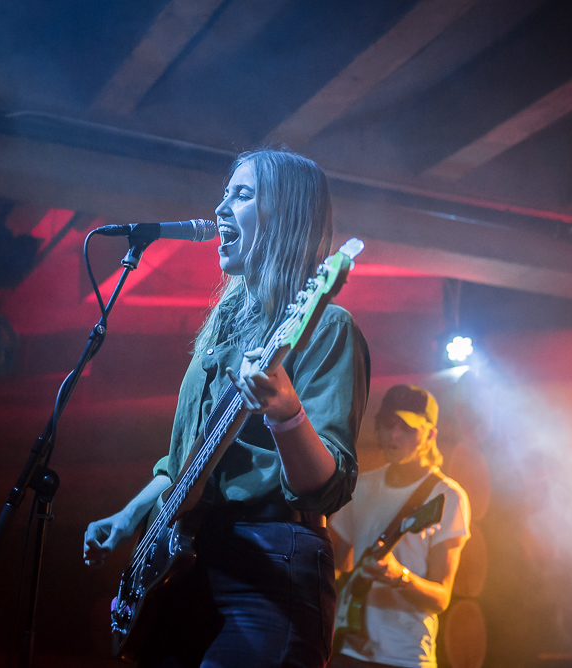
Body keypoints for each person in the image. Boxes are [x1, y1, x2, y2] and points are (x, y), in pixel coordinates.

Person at [83, 148, 370, 668]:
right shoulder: (221, 325)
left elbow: (327, 486)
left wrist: (287, 415)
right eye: (224, 192)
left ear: (284, 214)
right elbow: (185, 462)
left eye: (241, 194)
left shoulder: (328, 327)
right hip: (192, 555)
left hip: (271, 562)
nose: (220, 208)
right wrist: (129, 518)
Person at [328, 385, 471, 668]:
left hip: (404, 656)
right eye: (388, 424)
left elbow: (442, 598)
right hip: (347, 648)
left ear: (430, 435)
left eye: (407, 428)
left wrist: (399, 576)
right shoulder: (361, 487)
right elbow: (336, 565)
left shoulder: (446, 497)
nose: (394, 435)